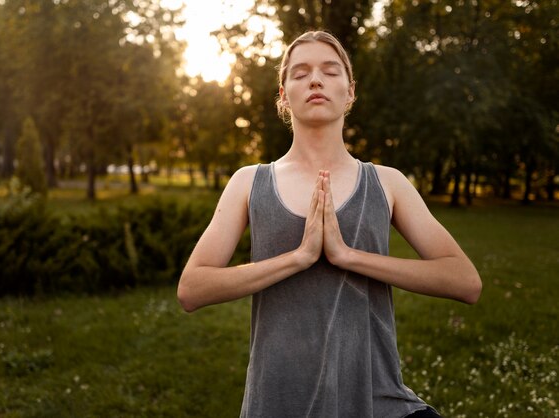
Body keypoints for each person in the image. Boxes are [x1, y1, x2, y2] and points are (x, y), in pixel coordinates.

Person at [177, 30, 482, 418]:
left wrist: (347, 256)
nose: (316, 80)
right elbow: (192, 289)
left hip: (377, 400)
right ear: (284, 95)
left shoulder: (388, 182)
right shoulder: (249, 182)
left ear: (350, 91)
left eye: (330, 71)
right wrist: (299, 257)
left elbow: (465, 281)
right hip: (280, 402)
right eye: (300, 72)